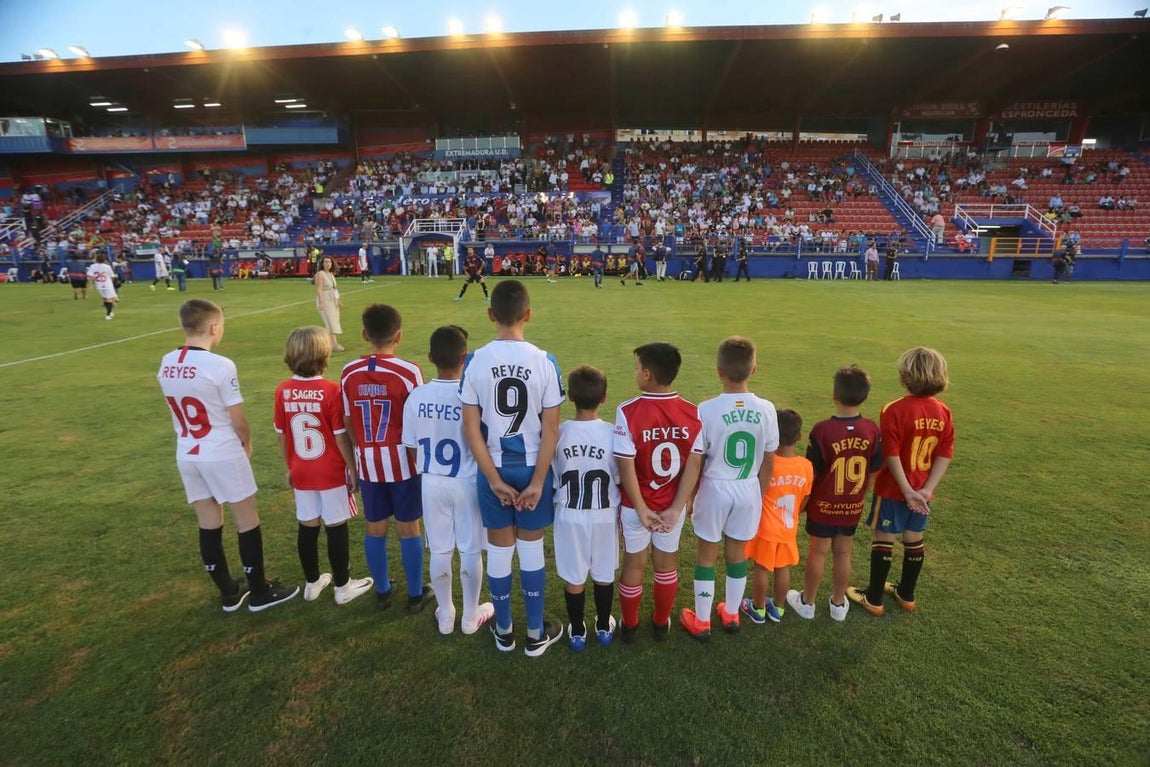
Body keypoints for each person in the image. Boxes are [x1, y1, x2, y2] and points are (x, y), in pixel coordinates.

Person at [157, 299, 299, 612]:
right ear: (214, 327)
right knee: (246, 519)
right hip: (220, 449)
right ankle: (260, 592)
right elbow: (238, 419)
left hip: (187, 451)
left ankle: (228, 592)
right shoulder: (220, 365)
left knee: (208, 522)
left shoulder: (166, 361)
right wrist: (246, 444)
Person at [460, 280, 566, 656]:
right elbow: (551, 428)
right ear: (529, 315)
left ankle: (504, 630)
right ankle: (535, 632)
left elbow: (470, 429)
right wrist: (538, 482)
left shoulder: (474, 361)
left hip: (494, 469)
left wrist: (492, 479)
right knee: (532, 549)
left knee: (500, 550)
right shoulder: (545, 360)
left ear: (491, 315)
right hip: (532, 466)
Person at [680, 337, 778, 638]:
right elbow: (768, 460)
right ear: (754, 369)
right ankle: (732, 614)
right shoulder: (766, 408)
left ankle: (702, 619)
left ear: (718, 371)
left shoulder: (705, 409)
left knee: (707, 554)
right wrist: (758, 496)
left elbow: (696, 461)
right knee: (737, 553)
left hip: (714, 487)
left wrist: (691, 497)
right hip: (748, 488)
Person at [401, 325, 495, 635]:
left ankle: (446, 613)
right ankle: (469, 615)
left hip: (431, 481)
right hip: (465, 480)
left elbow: (411, 445)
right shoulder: (471, 395)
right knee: (470, 549)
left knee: (440, 549)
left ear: (430, 357)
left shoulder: (416, 396)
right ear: (465, 358)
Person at [848, 347, 955, 616]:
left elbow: (891, 453)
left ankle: (874, 599)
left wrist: (906, 490)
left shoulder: (894, 409)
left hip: (895, 490)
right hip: (922, 492)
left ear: (905, 377)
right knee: (913, 539)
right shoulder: (944, 411)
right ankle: (906, 594)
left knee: (883, 537)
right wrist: (926, 489)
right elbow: (945, 453)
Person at [340, 304, 432, 614]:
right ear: (399, 336)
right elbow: (417, 419)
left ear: (365, 334)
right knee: (409, 527)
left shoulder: (348, 372)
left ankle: (382, 591)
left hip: (368, 462)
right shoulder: (409, 372)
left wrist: (361, 450)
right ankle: (416, 596)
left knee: (374, 526)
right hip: (403, 462)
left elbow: (349, 420)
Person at [273, 326, 375, 606]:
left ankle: (312, 582)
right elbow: (341, 436)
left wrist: (290, 466)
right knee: (335, 526)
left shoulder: (282, 390)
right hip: (329, 470)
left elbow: (281, 435)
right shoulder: (331, 390)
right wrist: (353, 469)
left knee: (307, 525)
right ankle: (343, 586)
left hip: (301, 469)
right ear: (323, 355)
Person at [614, 342, 703, 643]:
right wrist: (677, 507)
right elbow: (694, 463)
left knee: (633, 564)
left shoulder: (628, 411)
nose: (635, 372)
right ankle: (661, 623)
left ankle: (629, 625)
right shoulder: (693, 412)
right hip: (670, 508)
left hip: (636, 507)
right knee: (666, 563)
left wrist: (640, 508)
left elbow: (625, 466)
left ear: (648, 374)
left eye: (637, 368)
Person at [789, 366, 881, 621]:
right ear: (865, 396)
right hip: (851, 504)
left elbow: (812, 472)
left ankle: (807, 602)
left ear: (834, 394)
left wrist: (805, 502)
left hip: (824, 503)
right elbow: (874, 469)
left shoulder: (822, 430)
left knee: (819, 551)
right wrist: (862, 493)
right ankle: (838, 604)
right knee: (844, 552)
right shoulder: (872, 430)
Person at [552, 365, 621, 650]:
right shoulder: (613, 434)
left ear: (570, 397)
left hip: (570, 514)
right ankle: (603, 626)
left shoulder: (558, 433)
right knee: (604, 574)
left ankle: (578, 631)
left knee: (574, 577)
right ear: (604, 397)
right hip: (604, 514)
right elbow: (620, 475)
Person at [744, 409, 812, 622]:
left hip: (766, 527)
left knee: (762, 567)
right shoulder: (806, 466)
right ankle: (778, 608)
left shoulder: (766, 463)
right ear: (799, 436)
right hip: (788, 525)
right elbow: (805, 499)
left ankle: (758, 608)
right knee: (783, 567)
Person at [315, 256, 345, 352]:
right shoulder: (320, 274)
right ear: (322, 264)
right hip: (325, 298)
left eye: (330, 262)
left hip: (332, 300)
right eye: (326, 262)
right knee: (329, 322)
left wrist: (338, 301)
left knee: (334, 320)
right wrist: (321, 302)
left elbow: (334, 288)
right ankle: (333, 344)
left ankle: (329, 343)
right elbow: (319, 289)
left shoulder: (331, 274)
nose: (328, 264)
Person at [86, 252, 118, 320]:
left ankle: (110, 312)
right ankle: (108, 314)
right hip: (107, 284)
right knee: (109, 299)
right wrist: (111, 283)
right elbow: (112, 276)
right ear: (104, 260)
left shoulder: (92, 266)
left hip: (99, 284)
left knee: (105, 298)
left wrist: (91, 285)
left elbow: (90, 276)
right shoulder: (107, 266)